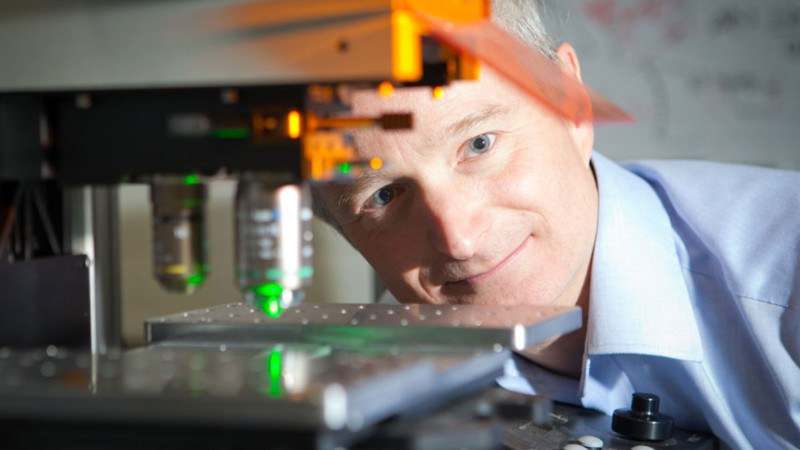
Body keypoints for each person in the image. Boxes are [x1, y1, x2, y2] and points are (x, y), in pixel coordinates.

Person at [312, 1, 800, 448]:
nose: (458, 238)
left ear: (571, 104)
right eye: (384, 195)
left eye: (479, 144)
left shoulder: (786, 279)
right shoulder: (377, 381)